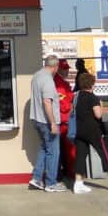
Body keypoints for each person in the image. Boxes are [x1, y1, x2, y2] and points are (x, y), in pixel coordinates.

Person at [71, 72, 108, 194]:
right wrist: (101, 106)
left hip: (79, 130)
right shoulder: (93, 97)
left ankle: (78, 183)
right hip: (93, 130)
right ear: (91, 84)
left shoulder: (76, 96)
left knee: (80, 156)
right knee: (104, 154)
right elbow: (98, 115)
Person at [28, 56, 64, 192]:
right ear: (55, 66)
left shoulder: (36, 76)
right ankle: (51, 183)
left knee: (44, 148)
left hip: (36, 119)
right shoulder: (48, 80)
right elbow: (47, 102)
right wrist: (53, 123)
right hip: (47, 121)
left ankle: (37, 178)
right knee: (53, 152)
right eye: (58, 68)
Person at [53, 59, 76, 179]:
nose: (66, 70)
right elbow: (62, 104)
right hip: (63, 121)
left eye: (67, 68)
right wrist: (71, 106)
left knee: (62, 148)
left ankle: (65, 170)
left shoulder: (62, 82)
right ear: (58, 68)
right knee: (68, 148)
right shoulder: (59, 84)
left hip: (63, 120)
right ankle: (69, 171)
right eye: (64, 68)